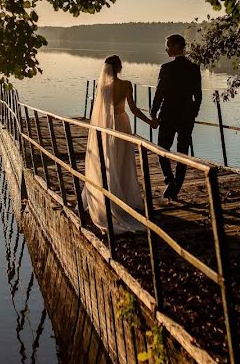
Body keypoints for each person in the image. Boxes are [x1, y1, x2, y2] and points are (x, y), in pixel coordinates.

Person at [83, 55, 153, 233]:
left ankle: (110, 194)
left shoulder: (104, 87)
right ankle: (124, 197)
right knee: (123, 159)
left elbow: (98, 111)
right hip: (123, 123)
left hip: (107, 126)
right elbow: (134, 109)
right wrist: (150, 122)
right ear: (120, 67)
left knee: (108, 158)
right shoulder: (127, 85)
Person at [150, 34, 201, 200]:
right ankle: (176, 185)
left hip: (168, 114)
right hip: (187, 116)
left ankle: (170, 181)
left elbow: (160, 92)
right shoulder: (194, 68)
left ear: (177, 46)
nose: (166, 49)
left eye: (168, 46)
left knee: (162, 149)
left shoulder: (167, 68)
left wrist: (153, 112)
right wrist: (193, 113)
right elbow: (198, 96)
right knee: (182, 152)